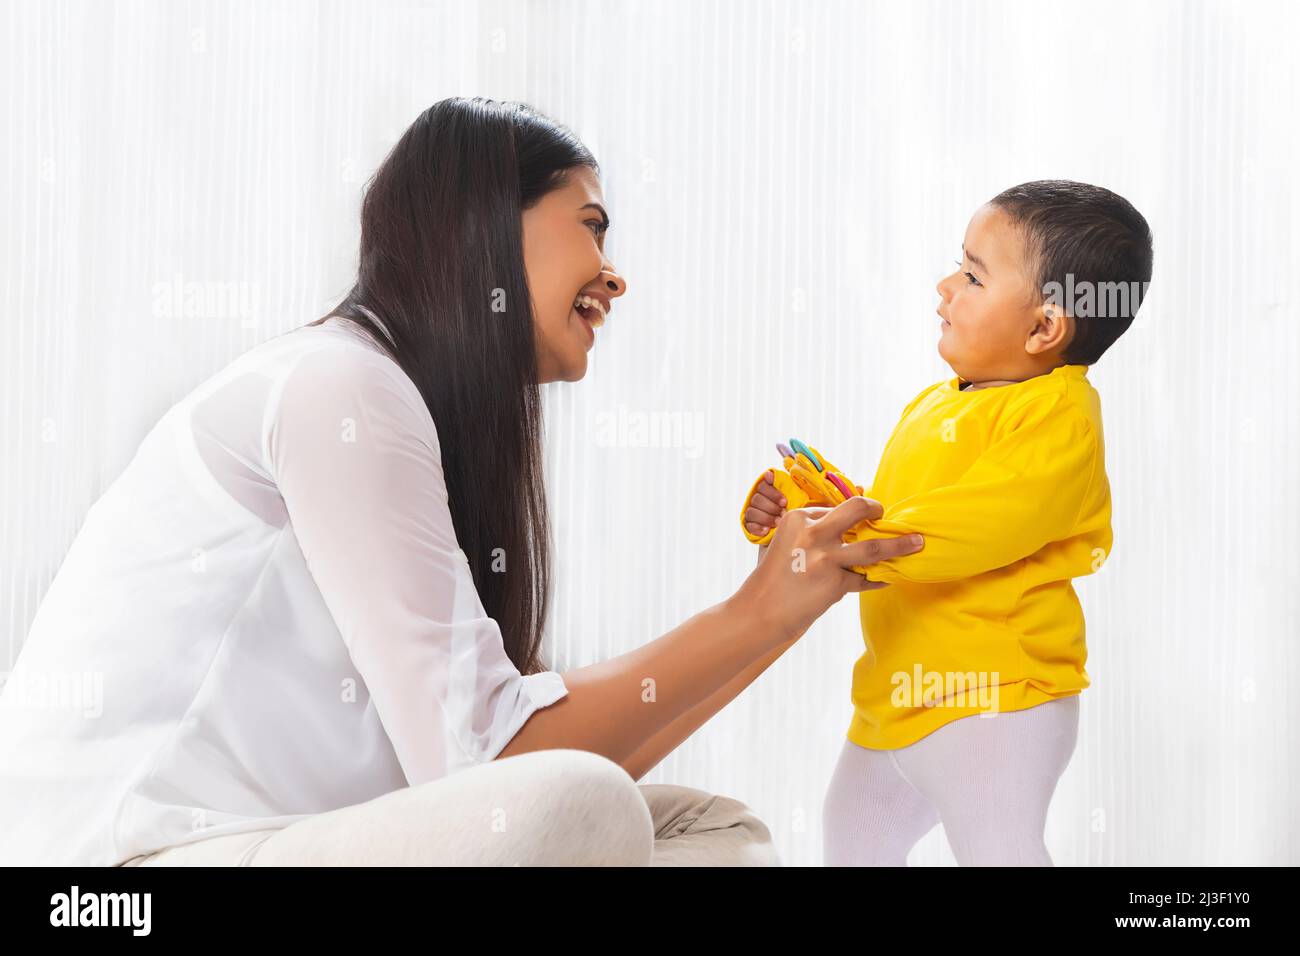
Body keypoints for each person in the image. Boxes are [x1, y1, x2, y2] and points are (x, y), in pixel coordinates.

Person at [0, 97, 923, 867]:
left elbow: (489, 752)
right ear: (482, 225)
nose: (614, 275)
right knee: (581, 803)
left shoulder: (392, 406)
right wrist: (756, 609)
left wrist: (786, 608)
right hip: (117, 875)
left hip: (277, 840)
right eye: (591, 227)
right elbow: (485, 765)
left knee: (712, 832)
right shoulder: (340, 386)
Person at [745, 179, 1152, 865]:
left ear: (1044, 327)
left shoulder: (1059, 421)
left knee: (999, 852)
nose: (944, 287)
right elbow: (900, 511)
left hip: (995, 698)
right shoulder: (939, 403)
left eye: (971, 275)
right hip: (896, 693)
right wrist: (805, 511)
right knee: (851, 838)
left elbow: (974, 526)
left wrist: (847, 537)